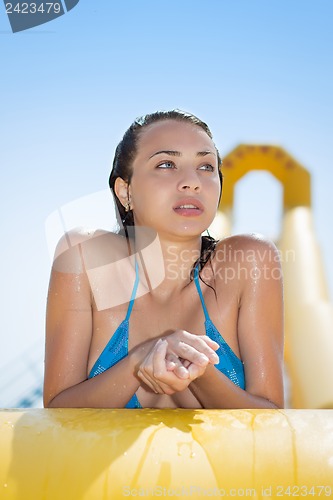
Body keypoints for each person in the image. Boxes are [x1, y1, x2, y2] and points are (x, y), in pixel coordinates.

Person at [44, 110, 284, 409]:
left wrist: (200, 372)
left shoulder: (248, 260)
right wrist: (136, 362)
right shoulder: (85, 256)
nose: (192, 182)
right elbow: (56, 409)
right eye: (166, 164)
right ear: (125, 191)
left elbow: (271, 414)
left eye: (206, 166)